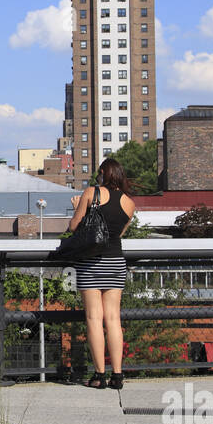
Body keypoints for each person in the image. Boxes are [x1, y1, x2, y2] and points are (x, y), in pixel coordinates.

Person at [66, 158, 136, 389]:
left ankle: (99, 375)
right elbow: (117, 233)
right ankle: (118, 375)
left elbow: (74, 227)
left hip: (91, 262)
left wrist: (78, 206)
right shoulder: (129, 203)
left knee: (94, 319)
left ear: (104, 173)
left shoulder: (91, 193)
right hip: (116, 261)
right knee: (114, 319)